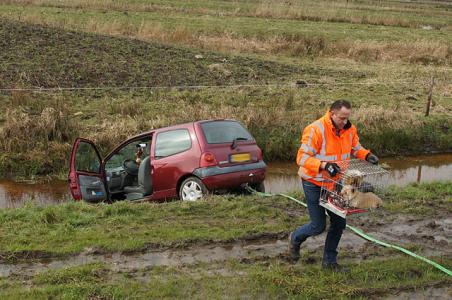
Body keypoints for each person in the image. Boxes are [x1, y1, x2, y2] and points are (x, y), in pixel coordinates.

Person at [289, 100, 379, 272]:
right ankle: (295, 238)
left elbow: (356, 147)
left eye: (347, 118)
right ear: (332, 113)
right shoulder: (315, 129)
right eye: (342, 118)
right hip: (314, 183)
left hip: (336, 183)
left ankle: (329, 262)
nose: (345, 122)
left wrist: (367, 155)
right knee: (318, 226)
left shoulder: (349, 129)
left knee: (339, 223)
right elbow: (301, 158)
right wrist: (323, 165)